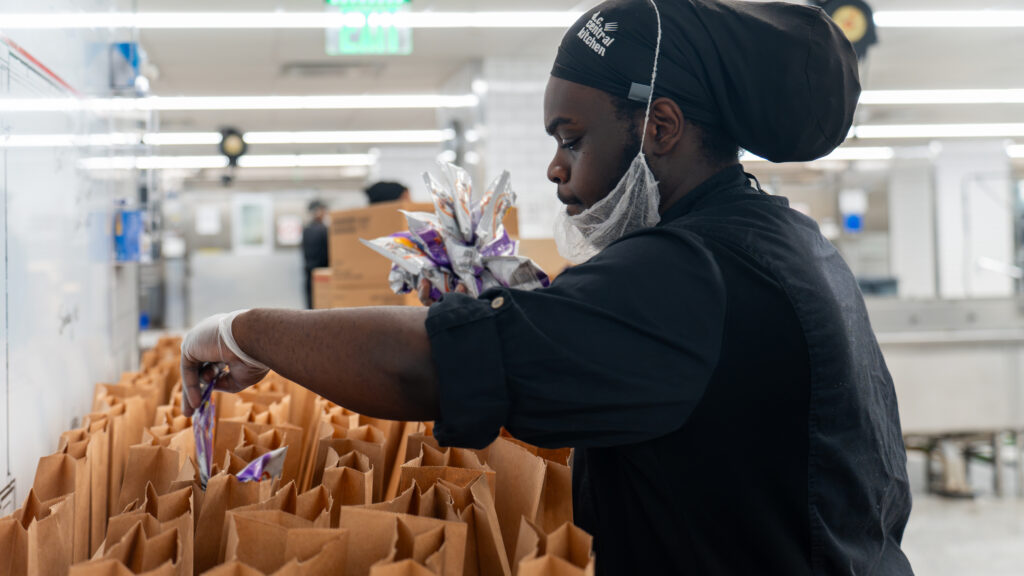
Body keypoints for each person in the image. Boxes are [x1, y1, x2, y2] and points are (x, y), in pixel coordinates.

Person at [181, 1, 914, 573]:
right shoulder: (781, 241)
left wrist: (241, 329)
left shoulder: (692, 271)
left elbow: (431, 366)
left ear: (659, 126)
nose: (555, 170)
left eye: (572, 138)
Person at [300, 200, 329, 309]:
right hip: (321, 273)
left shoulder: (307, 229)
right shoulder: (322, 230)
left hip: (309, 273)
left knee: (311, 308)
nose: (324, 214)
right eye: (323, 211)